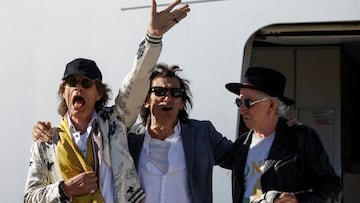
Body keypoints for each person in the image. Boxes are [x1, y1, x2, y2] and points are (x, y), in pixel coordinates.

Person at [24, 1, 190, 202]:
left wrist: (153, 37)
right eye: (71, 82)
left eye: (86, 83)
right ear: (64, 91)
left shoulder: (114, 124)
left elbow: (135, 81)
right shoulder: (46, 143)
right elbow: (29, 197)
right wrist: (65, 189)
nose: (78, 87)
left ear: (99, 93)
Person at [225, 67, 343, 203]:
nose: (242, 110)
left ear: (271, 105)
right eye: (239, 102)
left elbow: (334, 188)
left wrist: (298, 200)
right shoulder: (241, 145)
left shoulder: (301, 137)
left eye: (248, 102)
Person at [127, 63, 233, 203]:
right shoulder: (129, 138)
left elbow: (239, 157)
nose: (168, 98)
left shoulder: (203, 134)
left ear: (182, 102)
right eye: (159, 92)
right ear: (146, 100)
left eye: (175, 93)